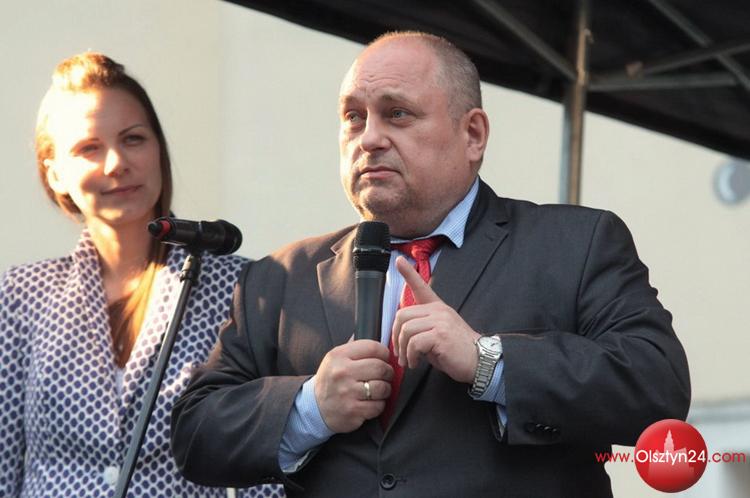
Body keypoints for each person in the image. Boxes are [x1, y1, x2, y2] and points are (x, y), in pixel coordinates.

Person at [170, 32, 691, 497]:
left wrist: (489, 362)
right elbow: (195, 436)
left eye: (397, 113)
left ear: (473, 135)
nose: (369, 138)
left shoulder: (575, 244)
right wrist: (311, 408)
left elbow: (657, 389)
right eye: (353, 117)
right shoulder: (282, 276)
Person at [0, 53, 282, 498]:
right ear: (54, 173)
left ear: (158, 150)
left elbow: (259, 461)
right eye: (89, 148)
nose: (116, 163)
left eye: (133, 139)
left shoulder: (239, 286)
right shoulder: (21, 295)